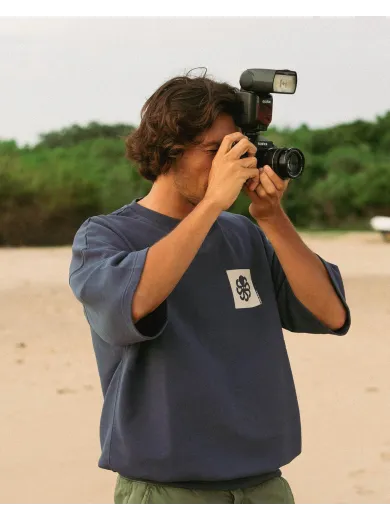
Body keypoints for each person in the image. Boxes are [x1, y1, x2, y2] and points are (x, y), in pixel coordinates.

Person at [69, 72, 351, 504]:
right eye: (215, 152)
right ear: (168, 151)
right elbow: (136, 301)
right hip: (168, 492)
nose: (230, 165)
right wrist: (214, 203)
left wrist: (272, 218)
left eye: (237, 150)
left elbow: (332, 314)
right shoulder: (105, 238)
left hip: (266, 487)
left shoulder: (246, 234)